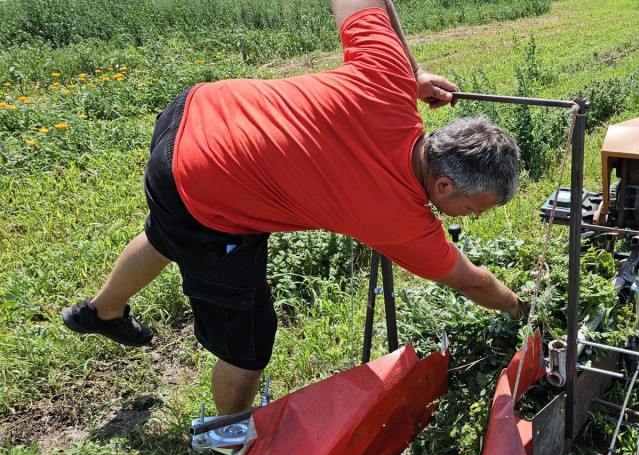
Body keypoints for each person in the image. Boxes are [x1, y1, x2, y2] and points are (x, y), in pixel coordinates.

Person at [61, 0, 526, 416]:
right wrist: (517, 308)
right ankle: (228, 440)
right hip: (203, 185)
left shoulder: (387, 77)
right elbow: (470, 280)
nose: (473, 217)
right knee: (248, 344)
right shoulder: (401, 221)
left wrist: (411, 72)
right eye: (474, 209)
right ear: (443, 185)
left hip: (196, 112)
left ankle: (102, 312)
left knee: (169, 232)